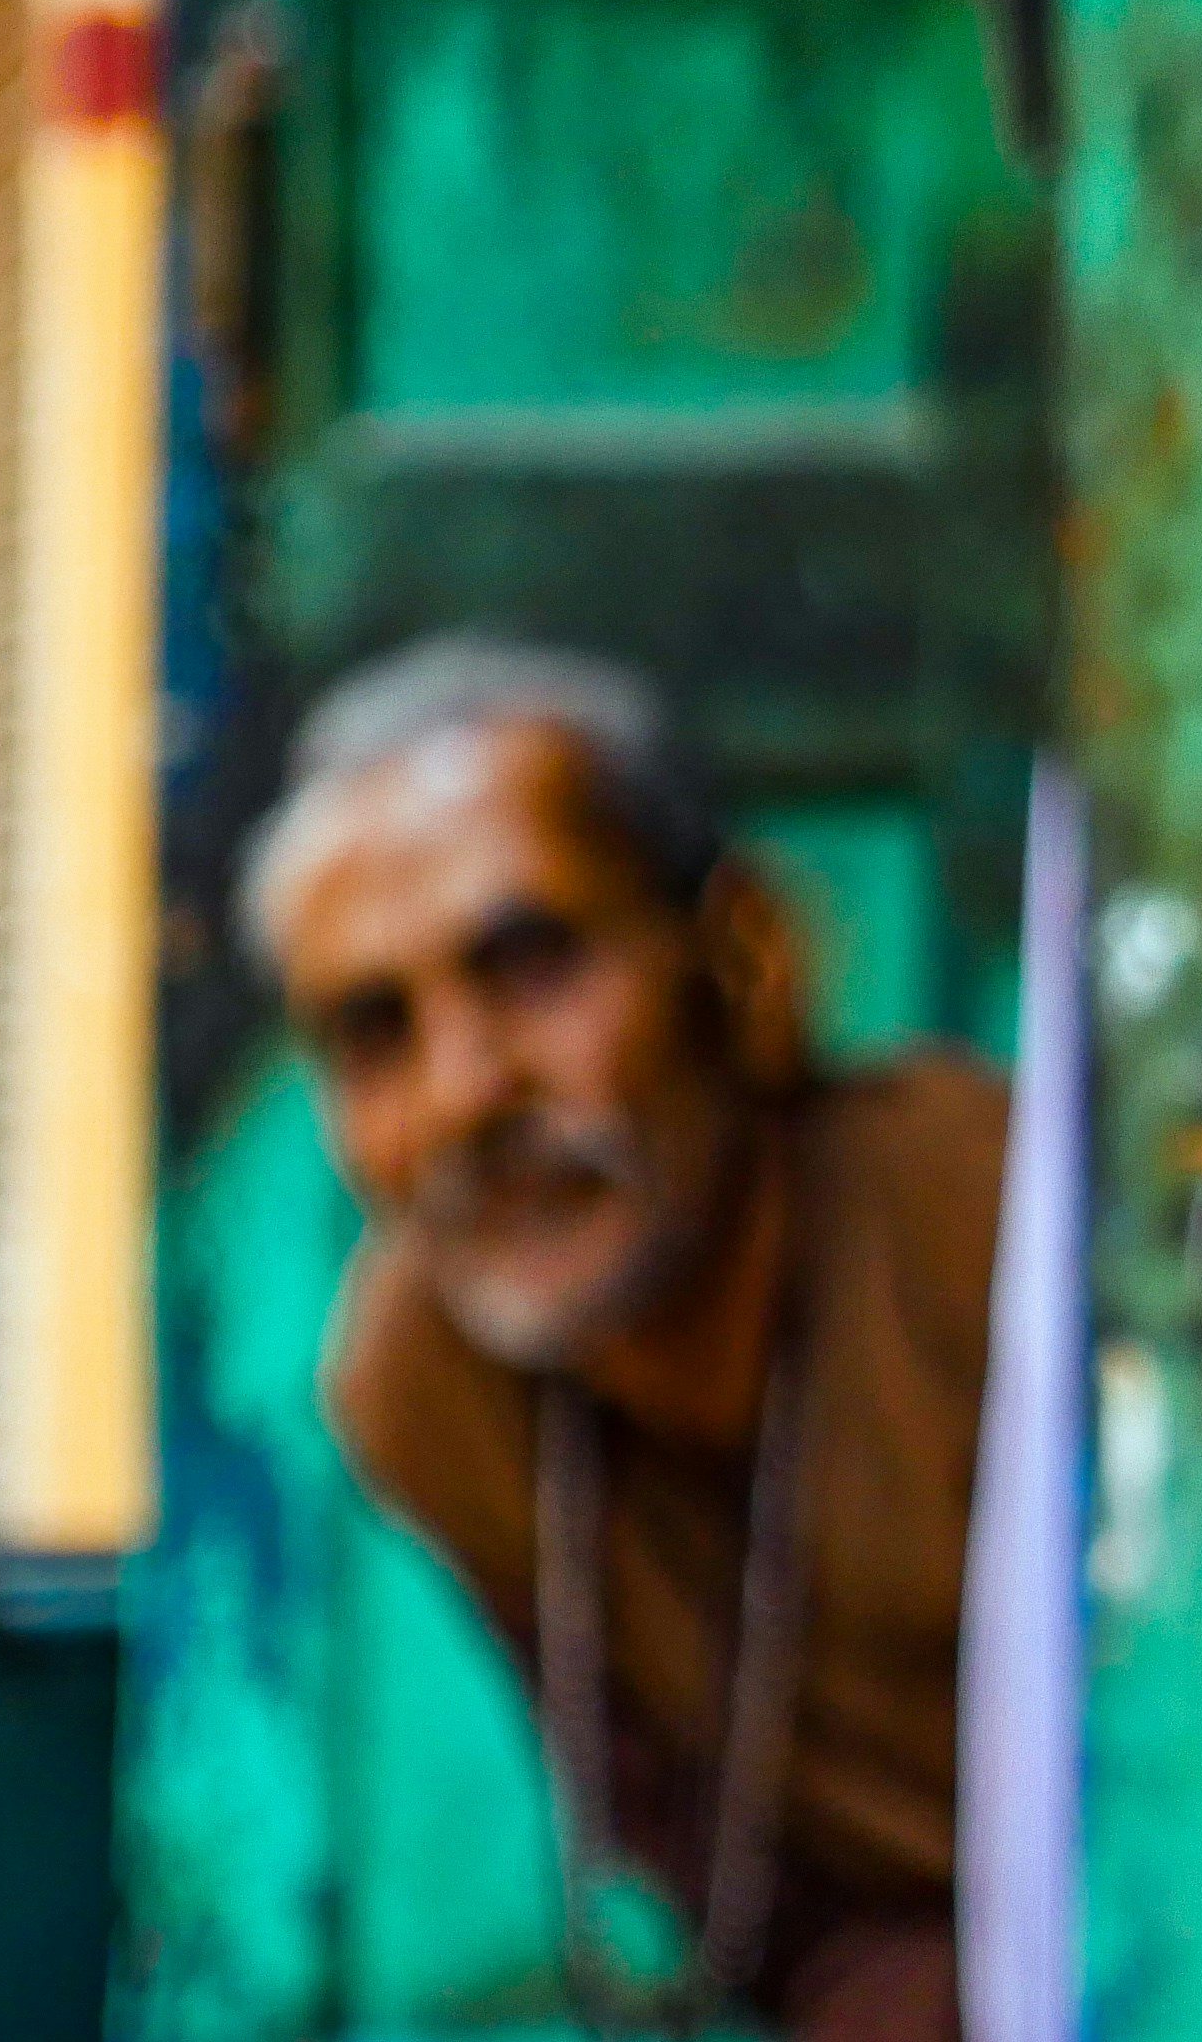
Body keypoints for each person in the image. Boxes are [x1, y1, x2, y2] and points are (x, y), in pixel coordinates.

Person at [253, 638, 1001, 2042]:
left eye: (530, 967)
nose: (466, 1091)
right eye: (375, 1034)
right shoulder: (421, 1383)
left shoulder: (993, 1230)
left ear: (746, 958)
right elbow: (752, 1908)